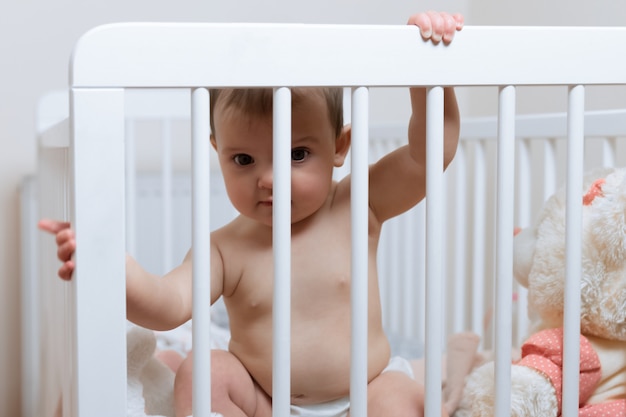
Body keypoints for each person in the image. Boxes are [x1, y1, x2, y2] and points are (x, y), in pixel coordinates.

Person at [39, 10, 464, 417]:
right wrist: (112, 266)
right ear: (217, 153)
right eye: (244, 160)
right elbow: (169, 303)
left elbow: (428, 156)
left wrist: (429, 72)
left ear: (339, 147)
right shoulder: (225, 249)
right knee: (203, 370)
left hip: (364, 393)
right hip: (264, 402)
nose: (269, 179)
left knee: (407, 401)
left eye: (297, 154)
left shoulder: (359, 204)